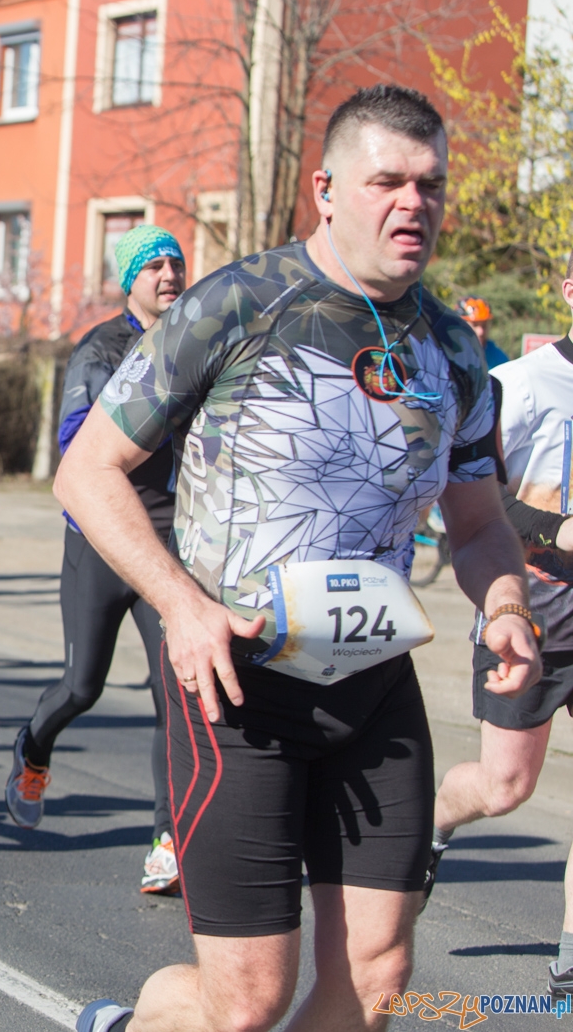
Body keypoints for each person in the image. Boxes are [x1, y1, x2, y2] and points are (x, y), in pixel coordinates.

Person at [60, 85, 540, 1032]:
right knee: (245, 1002)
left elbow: (479, 523)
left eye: (431, 185)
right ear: (326, 188)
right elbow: (87, 472)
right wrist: (179, 606)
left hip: (372, 682)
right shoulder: (235, 305)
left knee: (375, 978)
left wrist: (509, 605)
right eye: (388, 182)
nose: (414, 204)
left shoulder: (453, 348)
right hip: (234, 682)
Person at [5, 226, 187, 896]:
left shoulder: (195, 343)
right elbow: (75, 450)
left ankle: (169, 839)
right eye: (154, 265)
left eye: (176, 263)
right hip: (102, 536)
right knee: (83, 684)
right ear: (129, 278)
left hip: (167, 541)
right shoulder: (100, 350)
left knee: (177, 690)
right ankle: (33, 749)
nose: (169, 274)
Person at [429, 261, 573, 999]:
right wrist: (556, 528)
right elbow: (466, 506)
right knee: (504, 785)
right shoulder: (518, 383)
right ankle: (433, 822)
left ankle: (571, 956)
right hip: (532, 611)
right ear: (570, 291)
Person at [459, 296, 509, 369]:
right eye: (475, 325)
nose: (481, 332)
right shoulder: (447, 354)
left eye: (484, 325)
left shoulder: (499, 359)